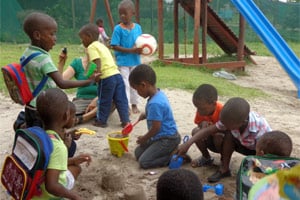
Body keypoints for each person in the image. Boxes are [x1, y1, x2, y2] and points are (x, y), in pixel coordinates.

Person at [22, 12, 97, 128]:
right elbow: (61, 83)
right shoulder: (43, 58)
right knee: (50, 140)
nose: (55, 39)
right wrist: (89, 81)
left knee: (35, 136)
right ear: (37, 35)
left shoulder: (26, 54)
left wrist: (61, 63)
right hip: (45, 108)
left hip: (30, 107)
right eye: (52, 34)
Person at [177, 97, 272, 182]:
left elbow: (266, 153)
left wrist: (255, 168)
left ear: (242, 122)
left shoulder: (260, 129)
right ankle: (224, 169)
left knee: (252, 175)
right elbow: (208, 130)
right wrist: (188, 144)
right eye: (223, 123)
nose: (224, 125)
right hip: (243, 144)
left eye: (227, 124)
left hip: (260, 152)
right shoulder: (230, 120)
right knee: (229, 134)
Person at [34, 88, 91, 199]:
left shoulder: (39, 134)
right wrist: (75, 197)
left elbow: (48, 163)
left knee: (74, 165)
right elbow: (51, 186)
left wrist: (74, 160)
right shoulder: (58, 146)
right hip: (44, 195)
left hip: (32, 188)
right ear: (66, 115)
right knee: (76, 169)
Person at [129, 64, 181, 169]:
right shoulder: (158, 94)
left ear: (143, 85)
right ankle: (168, 151)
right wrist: (146, 114)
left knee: (144, 162)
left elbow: (156, 128)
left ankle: (174, 156)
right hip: (160, 137)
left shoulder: (154, 103)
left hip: (167, 139)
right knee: (138, 153)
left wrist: (144, 138)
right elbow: (159, 113)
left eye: (136, 89)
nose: (137, 93)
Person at [78, 23, 130, 128]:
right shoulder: (102, 45)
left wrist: (97, 73)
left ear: (88, 36)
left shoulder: (91, 47)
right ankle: (125, 121)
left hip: (106, 77)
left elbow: (97, 60)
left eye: (82, 39)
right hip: (117, 75)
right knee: (121, 99)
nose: (82, 42)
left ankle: (101, 121)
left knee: (104, 99)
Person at [110, 0, 144, 114]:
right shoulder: (118, 29)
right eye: (120, 13)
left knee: (135, 83)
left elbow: (140, 42)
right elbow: (114, 46)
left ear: (133, 13)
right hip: (123, 62)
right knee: (125, 84)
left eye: (125, 13)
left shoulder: (138, 28)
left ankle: (134, 104)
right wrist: (131, 50)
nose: (122, 16)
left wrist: (144, 49)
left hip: (135, 61)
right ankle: (127, 106)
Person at [190, 84, 224, 168]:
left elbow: (229, 130)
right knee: (195, 131)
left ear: (213, 103)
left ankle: (224, 162)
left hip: (222, 142)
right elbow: (198, 122)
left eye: (201, 109)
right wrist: (202, 124)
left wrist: (212, 130)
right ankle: (206, 157)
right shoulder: (201, 109)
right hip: (208, 139)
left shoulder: (222, 110)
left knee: (218, 136)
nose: (199, 111)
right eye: (197, 108)